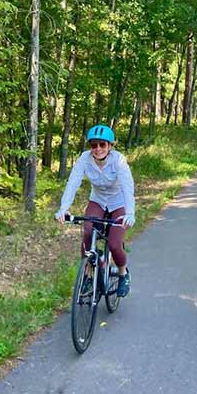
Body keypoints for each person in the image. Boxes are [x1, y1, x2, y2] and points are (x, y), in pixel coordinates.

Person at [55, 124, 135, 297]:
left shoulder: (118, 160)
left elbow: (128, 187)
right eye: (93, 145)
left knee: (114, 244)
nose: (97, 149)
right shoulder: (84, 159)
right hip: (98, 201)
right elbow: (73, 183)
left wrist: (130, 213)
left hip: (118, 202)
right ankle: (89, 275)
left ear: (110, 146)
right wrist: (64, 209)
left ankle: (123, 274)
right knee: (88, 232)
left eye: (102, 145)